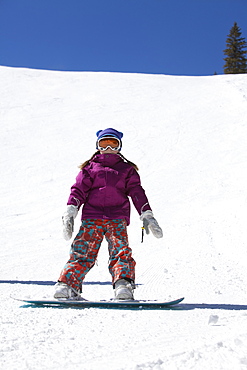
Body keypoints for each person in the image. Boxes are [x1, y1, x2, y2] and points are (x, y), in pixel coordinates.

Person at [54, 128, 163, 300]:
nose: (108, 149)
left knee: (120, 252)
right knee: (82, 251)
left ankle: (123, 286)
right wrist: (70, 211)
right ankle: (66, 285)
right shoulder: (90, 169)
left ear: (119, 147)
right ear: (98, 146)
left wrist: (146, 214)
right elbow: (78, 191)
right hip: (92, 218)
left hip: (116, 218)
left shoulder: (126, 170)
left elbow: (137, 192)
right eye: (104, 144)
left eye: (113, 144)